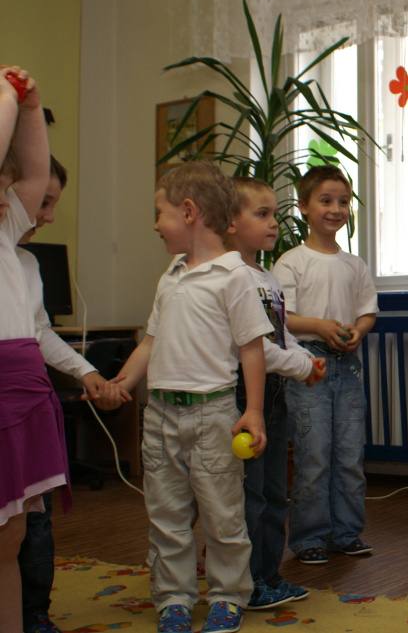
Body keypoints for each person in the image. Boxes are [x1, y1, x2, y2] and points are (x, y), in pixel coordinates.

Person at [101, 161, 271, 633]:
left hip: (213, 415)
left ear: (190, 212)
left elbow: (252, 348)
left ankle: (227, 596)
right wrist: (120, 383)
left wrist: (254, 411)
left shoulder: (234, 276)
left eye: (161, 213)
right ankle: (173, 597)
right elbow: (150, 343)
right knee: (166, 515)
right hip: (160, 416)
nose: (156, 224)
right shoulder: (171, 276)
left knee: (222, 515)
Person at [15, 156, 131, 633]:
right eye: (42, 203)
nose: (48, 216)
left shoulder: (27, 264)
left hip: (28, 408)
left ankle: (34, 613)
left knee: (35, 516)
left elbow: (40, 331)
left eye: (54, 205)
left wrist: (87, 373)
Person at [226, 178, 326, 609]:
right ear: (231, 222)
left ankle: (268, 574)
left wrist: (305, 359)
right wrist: (300, 366)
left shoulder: (266, 278)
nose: (273, 223)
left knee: (272, 490)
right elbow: (250, 347)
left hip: (275, 394)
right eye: (262, 214)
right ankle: (246, 581)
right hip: (243, 393)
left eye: (274, 214)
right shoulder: (230, 277)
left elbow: (280, 337)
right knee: (249, 494)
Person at [272, 165, 378, 565]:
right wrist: (320, 326)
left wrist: (358, 331)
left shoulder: (355, 264)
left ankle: (346, 532)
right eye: (326, 200)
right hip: (308, 366)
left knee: (349, 454)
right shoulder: (291, 262)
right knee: (313, 454)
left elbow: (367, 311)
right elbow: (282, 317)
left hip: (348, 366)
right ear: (303, 206)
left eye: (343, 201)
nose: (336, 209)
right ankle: (309, 537)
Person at [0, 66, 69, 633]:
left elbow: (36, 171)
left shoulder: (8, 233)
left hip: (20, 386)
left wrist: (29, 104)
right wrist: (7, 95)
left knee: (13, 533)